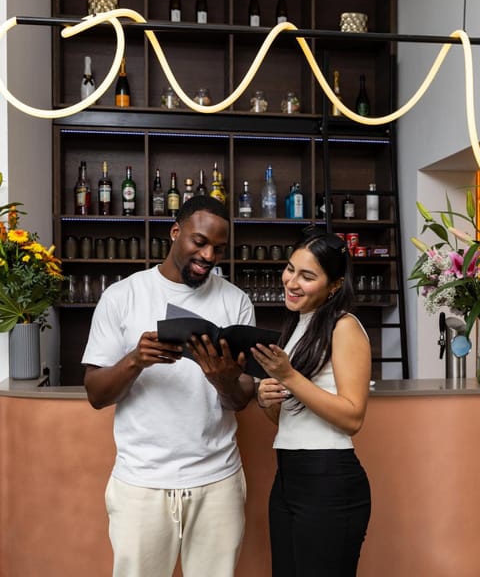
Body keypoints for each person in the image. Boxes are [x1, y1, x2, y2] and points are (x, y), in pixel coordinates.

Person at [82, 196, 256, 577]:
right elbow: (95, 394)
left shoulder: (236, 301)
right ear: (175, 232)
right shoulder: (122, 296)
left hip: (218, 480)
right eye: (199, 242)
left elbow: (241, 399)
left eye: (219, 249)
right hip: (141, 483)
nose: (209, 255)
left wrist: (222, 380)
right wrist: (135, 359)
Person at [253, 228, 372, 577]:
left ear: (333, 285)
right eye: (291, 269)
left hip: (329, 480)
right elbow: (291, 420)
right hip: (289, 476)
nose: (291, 281)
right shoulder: (296, 326)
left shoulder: (344, 326)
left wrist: (289, 377)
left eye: (307, 276)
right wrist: (267, 399)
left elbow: (352, 417)